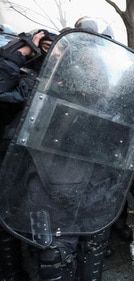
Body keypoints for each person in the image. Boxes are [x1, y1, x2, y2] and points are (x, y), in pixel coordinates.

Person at [0, 28, 53, 281]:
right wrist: (19, 54)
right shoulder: (24, 76)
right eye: (44, 46)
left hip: (43, 166)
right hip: (12, 159)